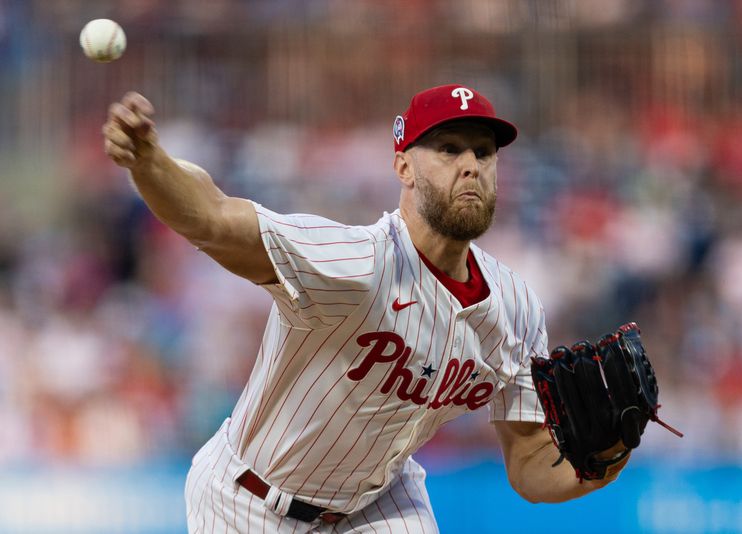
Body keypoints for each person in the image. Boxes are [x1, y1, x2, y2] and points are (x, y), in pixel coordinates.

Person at [102, 84, 628, 533]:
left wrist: (605, 460)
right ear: (403, 166)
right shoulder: (354, 264)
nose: (471, 165)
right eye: (448, 149)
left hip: (376, 503)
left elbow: (529, 463)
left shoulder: (515, 308)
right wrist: (150, 163)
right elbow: (213, 218)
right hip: (250, 501)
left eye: (483, 152)